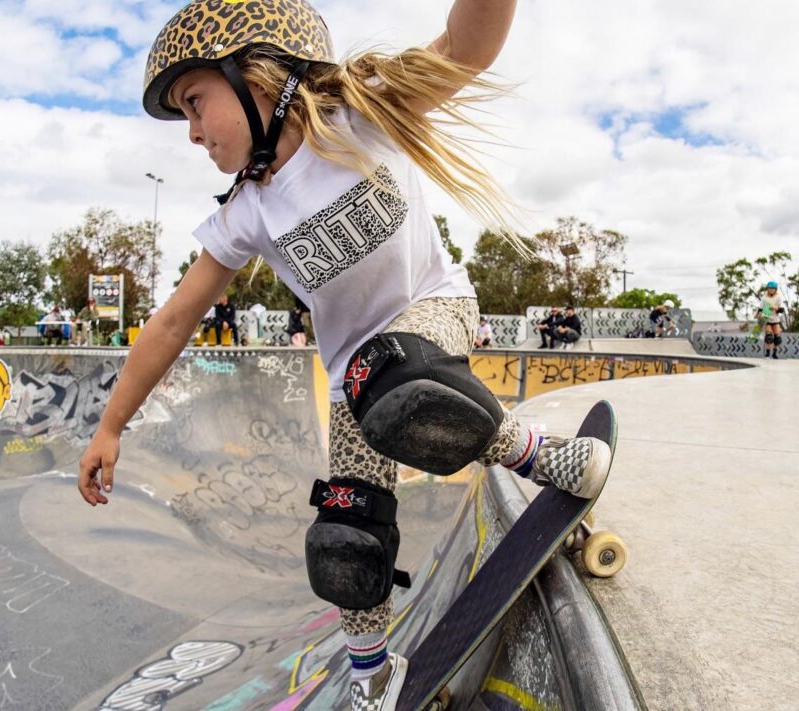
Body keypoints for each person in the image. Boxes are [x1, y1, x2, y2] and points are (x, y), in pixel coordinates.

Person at [76, 2, 613, 708]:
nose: (194, 133)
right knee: (345, 530)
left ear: (257, 77)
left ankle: (535, 453)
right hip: (356, 375)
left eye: (195, 103)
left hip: (435, 312)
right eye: (183, 116)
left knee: (398, 380)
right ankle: (371, 675)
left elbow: (467, 46)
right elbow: (175, 319)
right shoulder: (247, 211)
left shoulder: (364, 114)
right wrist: (111, 424)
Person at [756, 282, 785, 359]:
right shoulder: (764, 298)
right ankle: (767, 353)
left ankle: (775, 353)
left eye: (773, 289)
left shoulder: (778, 298)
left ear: (775, 290)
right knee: (769, 337)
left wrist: (776, 308)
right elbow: (760, 308)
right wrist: (758, 315)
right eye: (770, 289)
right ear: (767, 289)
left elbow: (782, 309)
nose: (771, 290)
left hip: (775, 319)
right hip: (767, 319)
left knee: (777, 338)